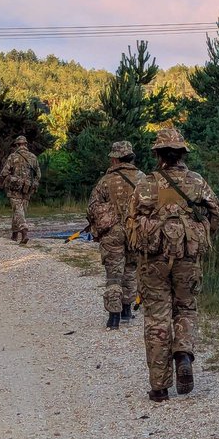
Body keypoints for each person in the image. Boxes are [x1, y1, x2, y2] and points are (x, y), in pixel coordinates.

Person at [127, 126, 219, 402]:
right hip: (188, 257)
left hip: (153, 261)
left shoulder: (146, 184)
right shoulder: (197, 181)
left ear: (158, 155)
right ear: (182, 153)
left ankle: (159, 387)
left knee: (157, 317)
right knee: (186, 308)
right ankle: (183, 354)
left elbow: (130, 219)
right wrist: (201, 233)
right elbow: (216, 212)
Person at [87, 140, 145, 330]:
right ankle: (127, 311)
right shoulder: (142, 178)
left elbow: (92, 209)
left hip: (112, 233)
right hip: (135, 231)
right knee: (130, 269)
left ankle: (113, 317)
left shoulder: (105, 181)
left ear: (115, 159)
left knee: (114, 274)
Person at [0, 135, 41, 244]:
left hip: (14, 190)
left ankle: (24, 232)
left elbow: (4, 173)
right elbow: (38, 175)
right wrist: (33, 184)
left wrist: (11, 179)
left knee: (18, 211)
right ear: (26, 144)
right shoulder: (33, 157)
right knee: (18, 212)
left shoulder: (13, 156)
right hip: (28, 190)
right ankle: (14, 235)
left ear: (17, 145)